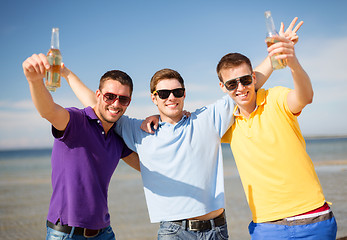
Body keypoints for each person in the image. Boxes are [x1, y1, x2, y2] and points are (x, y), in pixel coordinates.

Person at [65, 18, 302, 240]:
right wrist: (66, 73)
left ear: (184, 94)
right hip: (173, 232)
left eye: (177, 92)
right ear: (153, 98)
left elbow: (247, 82)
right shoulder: (138, 129)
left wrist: (277, 53)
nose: (172, 98)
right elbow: (98, 105)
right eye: (164, 93)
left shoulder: (207, 119)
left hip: (216, 229)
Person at [217, 36, 337, 239]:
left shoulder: (275, 98)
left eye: (245, 80)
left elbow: (305, 96)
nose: (240, 88)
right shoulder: (226, 123)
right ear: (223, 87)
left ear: (254, 78)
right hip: (267, 227)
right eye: (231, 84)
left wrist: (292, 63)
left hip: (313, 219)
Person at [22, 53, 140, 240]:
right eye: (109, 96)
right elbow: (48, 111)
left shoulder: (117, 137)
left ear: (128, 102)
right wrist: (35, 82)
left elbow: (147, 167)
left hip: (105, 232)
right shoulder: (77, 121)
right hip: (66, 234)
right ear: (98, 95)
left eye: (123, 99)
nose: (116, 104)